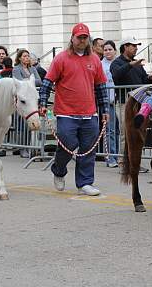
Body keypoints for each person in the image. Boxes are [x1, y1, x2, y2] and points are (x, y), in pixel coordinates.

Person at [38, 22, 109, 196]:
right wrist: (42, 102)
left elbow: (101, 87)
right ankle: (59, 170)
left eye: (85, 38)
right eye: (79, 37)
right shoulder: (61, 58)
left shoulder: (94, 60)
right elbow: (47, 83)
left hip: (89, 113)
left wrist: (104, 110)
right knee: (68, 143)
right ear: (72, 38)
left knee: (88, 148)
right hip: (65, 112)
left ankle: (84, 183)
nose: (82, 40)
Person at [110, 36, 152, 171]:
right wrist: (130, 65)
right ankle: (123, 162)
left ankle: (134, 163)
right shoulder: (116, 63)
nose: (136, 48)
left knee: (137, 134)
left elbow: (143, 80)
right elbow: (116, 75)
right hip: (124, 103)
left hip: (138, 103)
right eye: (133, 46)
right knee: (125, 133)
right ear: (125, 47)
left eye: (136, 46)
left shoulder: (137, 64)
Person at [101, 40, 119, 168]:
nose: (107, 52)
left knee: (118, 130)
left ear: (115, 50)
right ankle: (110, 157)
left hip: (119, 99)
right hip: (108, 101)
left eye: (110, 49)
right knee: (110, 130)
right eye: (105, 50)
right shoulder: (100, 64)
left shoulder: (118, 63)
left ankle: (118, 155)